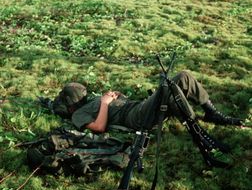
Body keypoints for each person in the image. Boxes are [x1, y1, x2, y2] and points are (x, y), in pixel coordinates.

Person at [50, 71, 243, 133]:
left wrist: (117, 97)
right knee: (177, 81)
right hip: (136, 117)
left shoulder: (88, 103)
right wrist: (105, 103)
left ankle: (210, 113)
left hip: (137, 107)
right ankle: (196, 126)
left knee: (175, 86)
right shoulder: (78, 115)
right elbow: (99, 127)